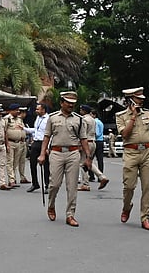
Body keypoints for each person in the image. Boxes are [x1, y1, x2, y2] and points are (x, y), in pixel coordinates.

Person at [37, 91, 91, 227]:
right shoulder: (52, 118)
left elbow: (83, 139)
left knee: (72, 186)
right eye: (68, 103)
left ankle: (70, 214)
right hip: (56, 153)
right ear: (61, 103)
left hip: (73, 153)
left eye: (73, 103)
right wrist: (42, 154)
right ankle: (51, 205)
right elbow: (46, 137)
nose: (71, 105)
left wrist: (88, 157)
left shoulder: (79, 119)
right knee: (54, 184)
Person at [116, 87, 149, 231]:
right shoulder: (121, 116)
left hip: (148, 152)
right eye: (138, 98)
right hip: (131, 152)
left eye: (142, 98)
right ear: (130, 100)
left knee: (147, 187)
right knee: (129, 186)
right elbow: (124, 134)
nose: (142, 100)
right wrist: (133, 117)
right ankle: (126, 207)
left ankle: (145, 218)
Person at [77, 104, 108, 191]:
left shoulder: (84, 120)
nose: (80, 111)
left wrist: (79, 144)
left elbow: (82, 133)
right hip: (93, 141)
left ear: (84, 111)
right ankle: (99, 177)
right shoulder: (93, 119)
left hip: (86, 142)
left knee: (83, 163)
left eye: (81, 110)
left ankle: (87, 183)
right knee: (88, 161)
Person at [27, 100, 50, 192]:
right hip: (36, 142)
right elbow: (36, 130)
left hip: (44, 142)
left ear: (43, 110)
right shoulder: (38, 118)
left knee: (46, 165)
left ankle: (47, 184)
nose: (36, 111)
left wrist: (48, 147)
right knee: (32, 163)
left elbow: (50, 134)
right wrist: (25, 129)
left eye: (38, 109)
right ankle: (35, 183)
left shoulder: (48, 119)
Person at [4, 103, 28, 187]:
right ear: (11, 111)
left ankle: (13, 178)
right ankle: (11, 180)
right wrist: (6, 144)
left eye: (18, 110)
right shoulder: (7, 119)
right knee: (10, 161)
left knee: (15, 162)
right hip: (10, 142)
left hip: (18, 143)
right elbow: (5, 132)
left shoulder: (19, 119)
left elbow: (22, 128)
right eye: (16, 110)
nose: (18, 111)